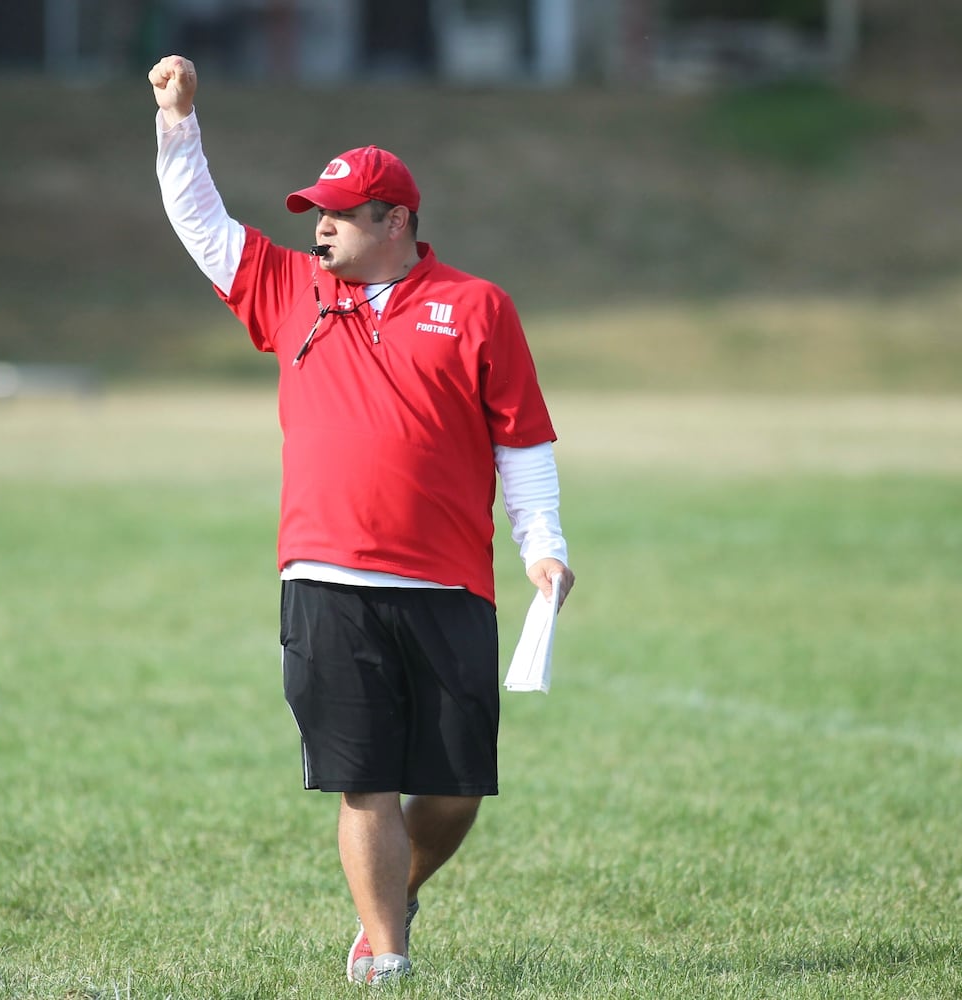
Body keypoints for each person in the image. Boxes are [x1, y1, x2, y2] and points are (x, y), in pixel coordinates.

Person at [149, 54, 575, 987]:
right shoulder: (291, 287)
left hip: (446, 582)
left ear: (397, 222)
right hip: (325, 577)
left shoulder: (476, 308)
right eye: (316, 213)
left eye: (340, 214)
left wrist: (543, 547)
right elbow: (199, 221)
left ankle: (400, 891)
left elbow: (523, 441)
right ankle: (387, 957)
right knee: (364, 780)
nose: (322, 228)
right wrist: (177, 120)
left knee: (458, 791)